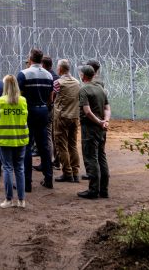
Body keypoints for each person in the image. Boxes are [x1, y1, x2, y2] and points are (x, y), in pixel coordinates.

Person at [17, 48, 54, 191]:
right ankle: (49, 179)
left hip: (28, 111)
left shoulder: (23, 74)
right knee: (44, 146)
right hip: (43, 110)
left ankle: (27, 183)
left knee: (26, 146)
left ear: (30, 58)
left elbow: (18, 96)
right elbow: (51, 98)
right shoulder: (48, 75)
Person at [0, 74, 29, 208]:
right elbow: (25, 117)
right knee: (20, 168)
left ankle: (9, 199)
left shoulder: (0, 101)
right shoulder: (23, 100)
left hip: (4, 139)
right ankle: (21, 200)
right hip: (20, 138)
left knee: (7, 168)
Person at [78, 64, 110, 199]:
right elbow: (107, 108)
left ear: (83, 75)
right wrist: (105, 121)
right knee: (101, 156)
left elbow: (87, 111)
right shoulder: (100, 89)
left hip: (90, 128)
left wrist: (98, 122)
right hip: (102, 129)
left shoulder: (84, 90)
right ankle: (104, 189)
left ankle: (93, 190)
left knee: (91, 158)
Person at [52, 59, 82, 183]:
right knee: (73, 145)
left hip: (62, 117)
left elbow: (52, 98)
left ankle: (67, 173)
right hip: (74, 117)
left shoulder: (58, 83)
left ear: (60, 69)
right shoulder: (77, 82)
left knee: (61, 145)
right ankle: (75, 173)